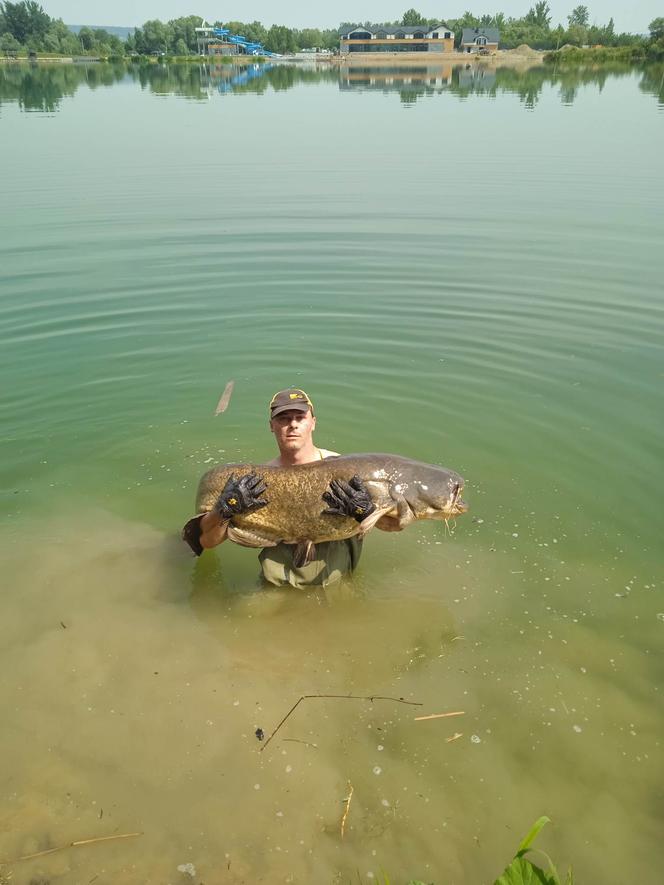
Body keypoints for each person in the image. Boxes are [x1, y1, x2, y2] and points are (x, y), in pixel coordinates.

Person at [186, 388, 399, 588]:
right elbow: (206, 542)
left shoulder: (344, 471)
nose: (293, 425)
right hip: (278, 588)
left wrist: (367, 512)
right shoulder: (255, 482)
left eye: (300, 418)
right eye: (284, 419)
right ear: (272, 425)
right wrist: (223, 510)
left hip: (338, 586)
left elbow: (394, 525)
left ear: (313, 422)